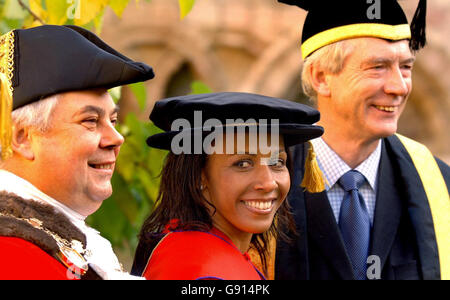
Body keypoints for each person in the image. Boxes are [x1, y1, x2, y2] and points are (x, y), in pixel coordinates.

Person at [274, 0, 450, 280]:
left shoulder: (439, 185)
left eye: (405, 66)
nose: (399, 86)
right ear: (320, 77)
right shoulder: (262, 183)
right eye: (377, 67)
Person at [0, 25, 154, 280]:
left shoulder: (51, 241)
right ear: (23, 138)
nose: (116, 139)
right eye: (91, 121)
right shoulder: (12, 256)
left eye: (113, 121)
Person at [130, 92, 324, 279]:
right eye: (243, 164)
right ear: (198, 176)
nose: (268, 182)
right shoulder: (201, 270)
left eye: (277, 162)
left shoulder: (195, 250)